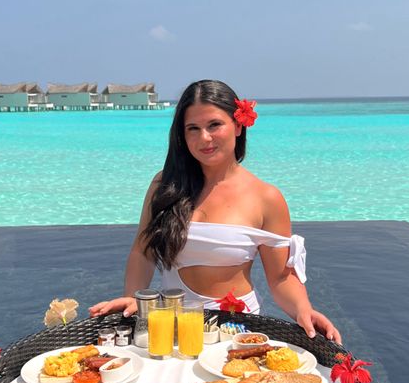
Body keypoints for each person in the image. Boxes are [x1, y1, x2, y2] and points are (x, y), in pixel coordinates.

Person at [89, 79, 341, 343]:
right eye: (193, 129)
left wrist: (304, 310)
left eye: (214, 125)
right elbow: (142, 252)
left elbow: (280, 278)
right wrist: (134, 297)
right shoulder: (165, 186)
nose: (204, 138)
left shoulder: (266, 197)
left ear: (239, 125)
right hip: (172, 326)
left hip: (237, 329)